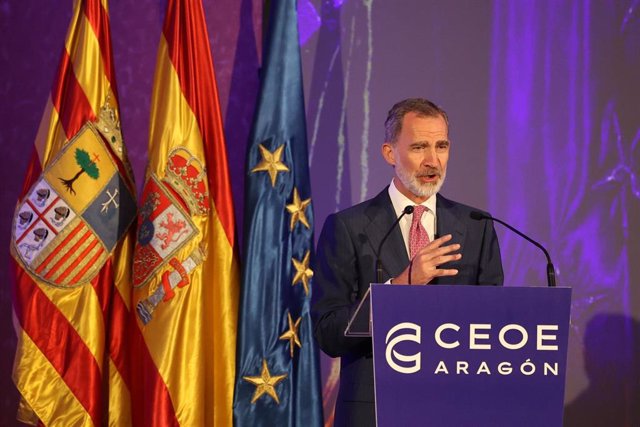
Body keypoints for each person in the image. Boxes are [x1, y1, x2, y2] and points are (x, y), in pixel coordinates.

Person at [312, 98, 504, 426]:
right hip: (374, 411)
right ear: (390, 153)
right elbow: (328, 332)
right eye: (419, 147)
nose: (433, 161)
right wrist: (400, 287)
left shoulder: (476, 226)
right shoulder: (348, 227)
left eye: (441, 146)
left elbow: (491, 323)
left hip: (454, 409)